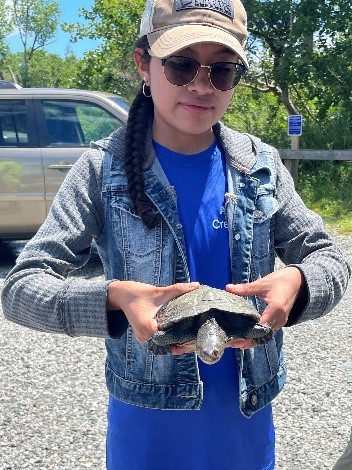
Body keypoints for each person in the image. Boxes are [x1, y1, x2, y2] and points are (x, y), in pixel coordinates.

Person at [1, 0, 350, 468]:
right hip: (146, 436)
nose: (202, 85)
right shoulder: (101, 169)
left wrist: (301, 284)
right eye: (182, 64)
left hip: (244, 433)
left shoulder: (260, 167)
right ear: (144, 64)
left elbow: (330, 258)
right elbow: (21, 287)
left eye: (221, 71)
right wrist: (113, 297)